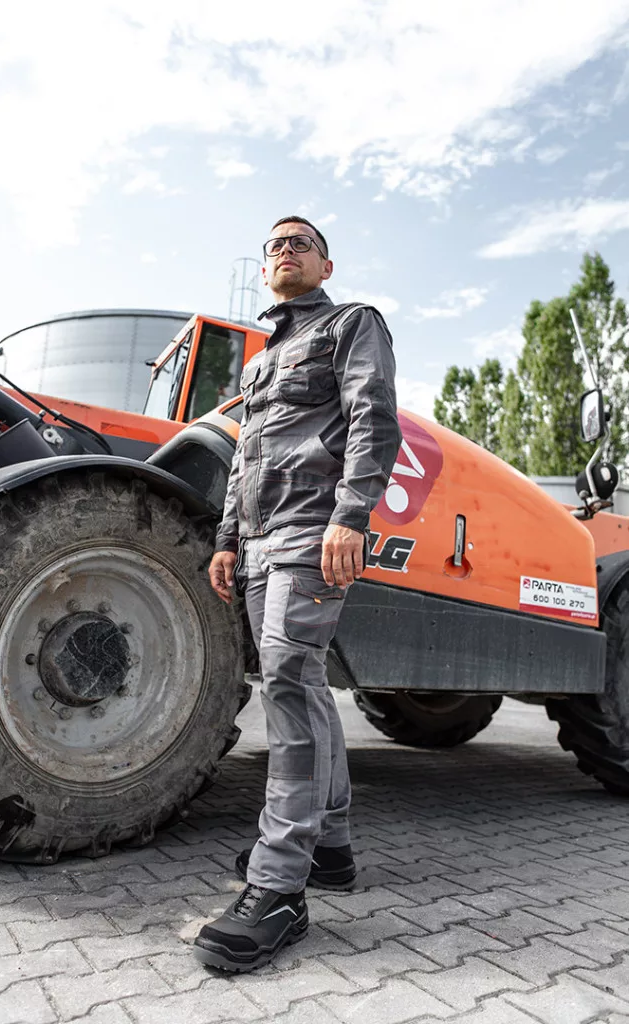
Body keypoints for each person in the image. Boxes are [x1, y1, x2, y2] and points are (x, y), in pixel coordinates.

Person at [194, 215, 401, 972]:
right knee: (302, 681)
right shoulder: (259, 363)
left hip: (313, 532)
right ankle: (330, 848)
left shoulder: (351, 324)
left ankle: (280, 885)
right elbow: (244, 459)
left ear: (325, 265)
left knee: (285, 678)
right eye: (274, 245)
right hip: (257, 543)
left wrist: (351, 516)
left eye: (299, 242)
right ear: (265, 270)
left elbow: (373, 419)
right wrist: (226, 538)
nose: (285, 251)